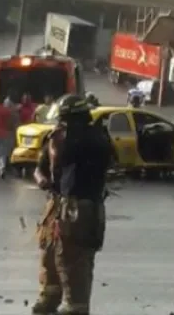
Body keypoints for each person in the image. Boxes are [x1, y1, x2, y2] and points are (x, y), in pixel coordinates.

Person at [32, 94, 112, 315]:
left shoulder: (90, 139)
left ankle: (75, 306)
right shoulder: (60, 138)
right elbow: (41, 168)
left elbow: (62, 160)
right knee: (50, 252)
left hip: (81, 207)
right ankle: (50, 296)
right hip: (58, 203)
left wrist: (57, 143)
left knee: (74, 258)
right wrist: (42, 180)